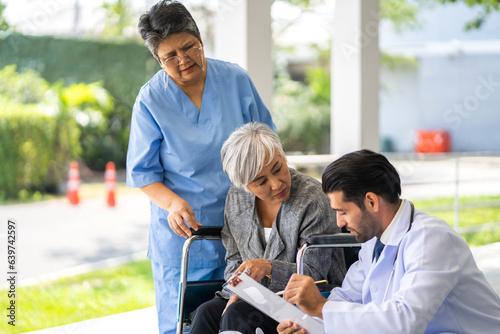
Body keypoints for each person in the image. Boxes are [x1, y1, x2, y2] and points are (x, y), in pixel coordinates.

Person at [126, 1, 275, 333]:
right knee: (180, 324)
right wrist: (172, 203)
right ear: (157, 59)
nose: (183, 60)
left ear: (199, 38)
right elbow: (143, 173)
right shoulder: (151, 100)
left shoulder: (235, 80)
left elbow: (267, 144)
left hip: (241, 234)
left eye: (188, 46)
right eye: (170, 56)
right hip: (184, 240)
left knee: (238, 321)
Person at [278, 150, 500, 334]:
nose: (339, 222)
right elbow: (348, 297)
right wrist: (309, 324)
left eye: (343, 211)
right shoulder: (373, 240)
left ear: (372, 201)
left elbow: (405, 321)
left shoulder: (430, 239)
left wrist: (321, 307)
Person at [189, 122, 346, 334]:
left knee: (238, 315)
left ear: (283, 156)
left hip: (306, 298)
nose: (276, 184)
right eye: (261, 181)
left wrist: (268, 267)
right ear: (245, 185)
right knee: (205, 313)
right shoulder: (236, 198)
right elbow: (234, 259)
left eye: (278, 169)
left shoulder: (313, 199)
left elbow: (313, 273)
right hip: (253, 297)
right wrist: (241, 289)